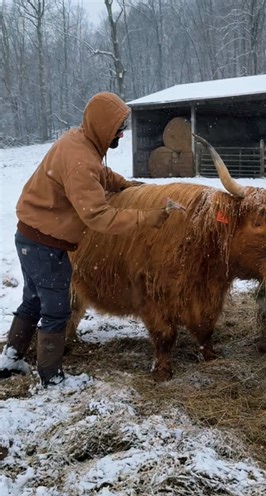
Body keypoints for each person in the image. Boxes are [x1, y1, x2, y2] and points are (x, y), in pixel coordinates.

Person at [0, 92, 169, 387]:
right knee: (56, 309)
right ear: (103, 126)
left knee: (33, 300)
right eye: (117, 128)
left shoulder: (79, 141)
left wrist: (126, 185)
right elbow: (98, 216)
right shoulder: (80, 160)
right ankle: (51, 378)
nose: (120, 134)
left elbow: (100, 173)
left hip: (30, 236)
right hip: (45, 243)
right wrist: (145, 217)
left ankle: (12, 358)